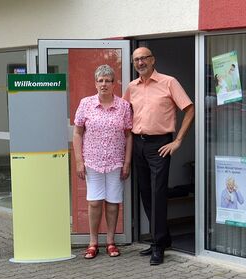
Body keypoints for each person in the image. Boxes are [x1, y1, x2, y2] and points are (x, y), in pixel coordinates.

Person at [123, 47, 195, 265]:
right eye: (136, 59)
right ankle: (163, 239)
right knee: (145, 192)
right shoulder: (131, 87)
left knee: (158, 193)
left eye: (143, 58)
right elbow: (124, 112)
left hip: (160, 144)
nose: (140, 62)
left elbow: (189, 109)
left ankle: (157, 246)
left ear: (153, 60)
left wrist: (178, 140)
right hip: (138, 144)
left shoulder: (168, 82)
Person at [73, 64, 133, 259]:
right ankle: (92, 242)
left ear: (114, 84)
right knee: (94, 202)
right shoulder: (86, 104)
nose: (104, 84)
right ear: (95, 83)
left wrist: (127, 162)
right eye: (100, 80)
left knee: (113, 202)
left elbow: (129, 135)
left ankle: (110, 241)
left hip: (116, 162)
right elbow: (77, 133)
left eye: (108, 81)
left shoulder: (123, 106)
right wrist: (79, 161)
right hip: (93, 161)